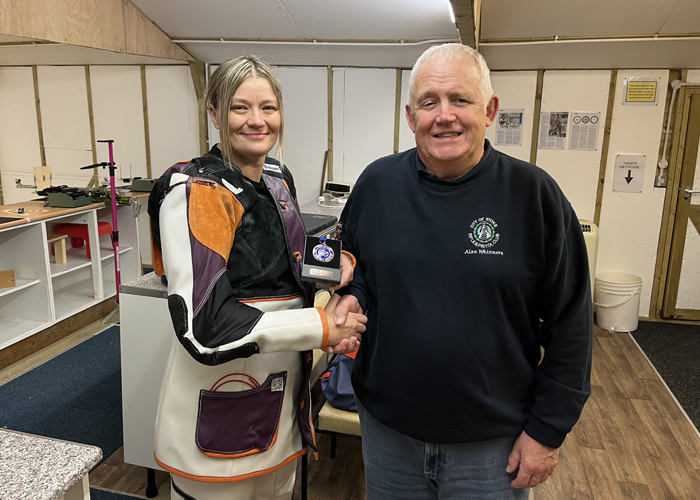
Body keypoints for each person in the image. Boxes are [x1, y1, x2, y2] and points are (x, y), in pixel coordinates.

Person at [333, 43, 593, 499]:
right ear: (411, 117)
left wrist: (547, 432)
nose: (444, 115)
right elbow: (356, 267)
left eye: (460, 100)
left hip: (493, 447)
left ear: (490, 110)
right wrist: (353, 293)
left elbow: (571, 327)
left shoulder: (534, 197)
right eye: (429, 102)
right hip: (389, 433)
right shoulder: (376, 185)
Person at [147, 55, 366, 500]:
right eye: (239, 107)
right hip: (221, 400)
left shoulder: (277, 179)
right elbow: (205, 323)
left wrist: (331, 270)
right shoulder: (197, 191)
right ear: (214, 112)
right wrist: (320, 328)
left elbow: (278, 268)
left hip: (280, 400)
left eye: (268, 107)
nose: (257, 121)